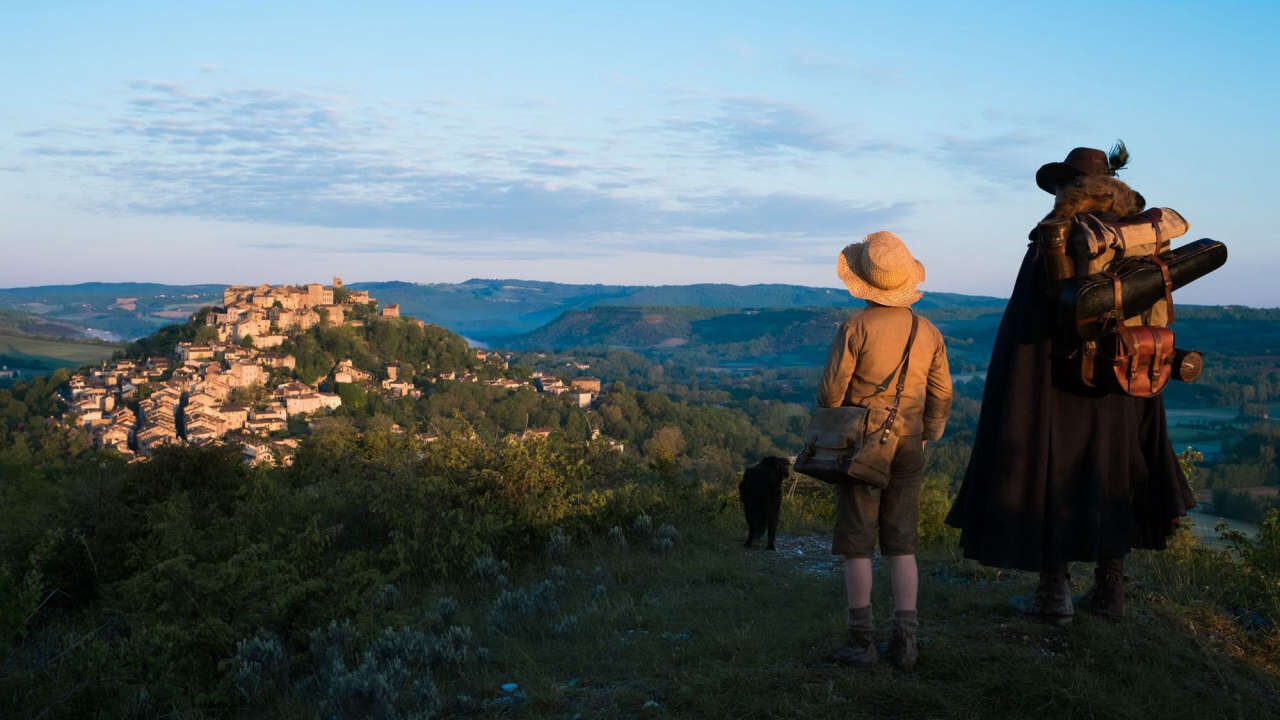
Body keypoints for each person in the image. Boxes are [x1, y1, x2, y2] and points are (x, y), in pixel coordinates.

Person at [944, 145, 1195, 623]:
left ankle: (1054, 594)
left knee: (1052, 477)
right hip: (1126, 382)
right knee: (1116, 474)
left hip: (1061, 384)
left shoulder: (1058, 238)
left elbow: (1027, 324)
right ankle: (1110, 593)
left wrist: (1015, 392)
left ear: (1069, 188)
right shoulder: (1142, 240)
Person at [819, 231, 952, 670]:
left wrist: (837, 423)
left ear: (866, 282)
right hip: (910, 441)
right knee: (901, 543)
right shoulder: (928, 330)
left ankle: (862, 643)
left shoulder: (855, 326)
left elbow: (831, 390)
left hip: (862, 443)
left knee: (858, 542)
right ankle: (906, 642)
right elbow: (942, 394)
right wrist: (928, 431)